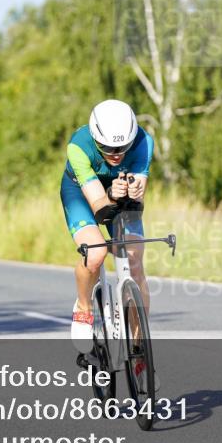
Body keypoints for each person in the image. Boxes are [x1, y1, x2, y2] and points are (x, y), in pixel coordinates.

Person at [61, 99, 153, 356]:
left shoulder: (144, 143)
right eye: (106, 147)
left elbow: (137, 200)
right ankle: (83, 308)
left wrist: (134, 191)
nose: (115, 153)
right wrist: (112, 192)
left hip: (118, 192)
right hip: (81, 193)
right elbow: (100, 206)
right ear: (94, 137)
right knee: (96, 253)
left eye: (122, 147)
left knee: (134, 260)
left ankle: (140, 350)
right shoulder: (78, 147)